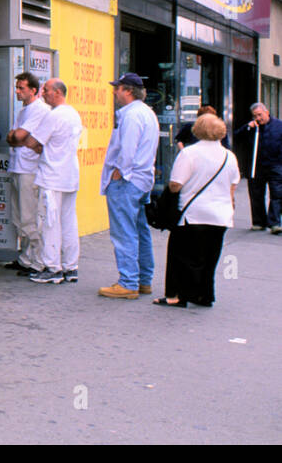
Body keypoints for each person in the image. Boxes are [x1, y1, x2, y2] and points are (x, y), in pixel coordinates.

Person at [156, 114, 239, 307]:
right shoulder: (230, 156)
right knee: (210, 257)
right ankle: (204, 295)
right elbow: (232, 187)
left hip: (193, 214)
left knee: (182, 256)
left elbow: (175, 185)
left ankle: (178, 295)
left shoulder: (189, 153)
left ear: (197, 130)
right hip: (220, 215)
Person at [97, 72, 160, 299]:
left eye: (118, 88)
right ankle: (143, 279)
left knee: (124, 232)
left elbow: (127, 149)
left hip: (128, 180)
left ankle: (128, 282)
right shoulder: (147, 113)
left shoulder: (131, 115)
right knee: (140, 230)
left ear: (128, 91)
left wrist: (119, 172)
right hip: (142, 179)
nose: (115, 92)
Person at [18, 79, 83, 285]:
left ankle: (52, 268)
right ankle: (71, 266)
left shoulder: (53, 116)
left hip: (52, 177)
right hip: (69, 176)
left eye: (46, 90)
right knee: (68, 222)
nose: (43, 93)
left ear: (57, 92)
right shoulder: (73, 114)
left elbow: (31, 141)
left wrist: (40, 147)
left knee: (49, 223)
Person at [5, 71, 50, 275]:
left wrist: (18, 138)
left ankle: (37, 260)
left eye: (21, 88)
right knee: (18, 216)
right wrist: (18, 138)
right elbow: (12, 137)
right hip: (18, 167)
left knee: (29, 216)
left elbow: (19, 135)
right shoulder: (23, 110)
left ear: (33, 90)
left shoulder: (39, 109)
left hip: (29, 169)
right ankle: (24, 258)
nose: (17, 91)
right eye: (17, 87)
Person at [234, 102, 282, 234]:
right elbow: (236, 137)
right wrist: (247, 128)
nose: (258, 118)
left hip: (275, 164)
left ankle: (274, 223)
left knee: (277, 194)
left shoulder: (279, 126)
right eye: (255, 116)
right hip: (256, 165)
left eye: (260, 115)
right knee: (256, 194)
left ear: (267, 112)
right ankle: (259, 222)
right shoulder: (252, 128)